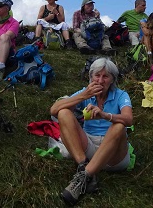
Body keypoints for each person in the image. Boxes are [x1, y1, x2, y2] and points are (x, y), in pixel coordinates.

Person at [50, 58, 133, 205]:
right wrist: (83, 96)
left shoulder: (121, 95)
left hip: (114, 155)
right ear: (91, 77)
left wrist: (105, 115)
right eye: (97, 75)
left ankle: (84, 176)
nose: (100, 81)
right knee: (64, 113)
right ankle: (84, 167)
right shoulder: (86, 92)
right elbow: (54, 110)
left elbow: (128, 119)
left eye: (105, 76)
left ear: (112, 80)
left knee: (119, 126)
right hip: (89, 147)